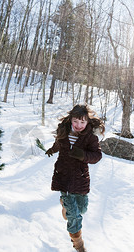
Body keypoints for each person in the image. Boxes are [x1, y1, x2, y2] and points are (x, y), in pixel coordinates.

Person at [46, 104, 105, 252]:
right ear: (71, 120)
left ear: (87, 122)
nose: (78, 125)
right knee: (75, 216)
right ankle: (78, 244)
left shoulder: (90, 137)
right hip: (64, 177)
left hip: (80, 178)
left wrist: (83, 155)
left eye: (82, 122)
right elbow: (58, 143)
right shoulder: (64, 132)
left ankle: (66, 206)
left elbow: (97, 156)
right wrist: (52, 150)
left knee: (82, 208)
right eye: (76, 121)